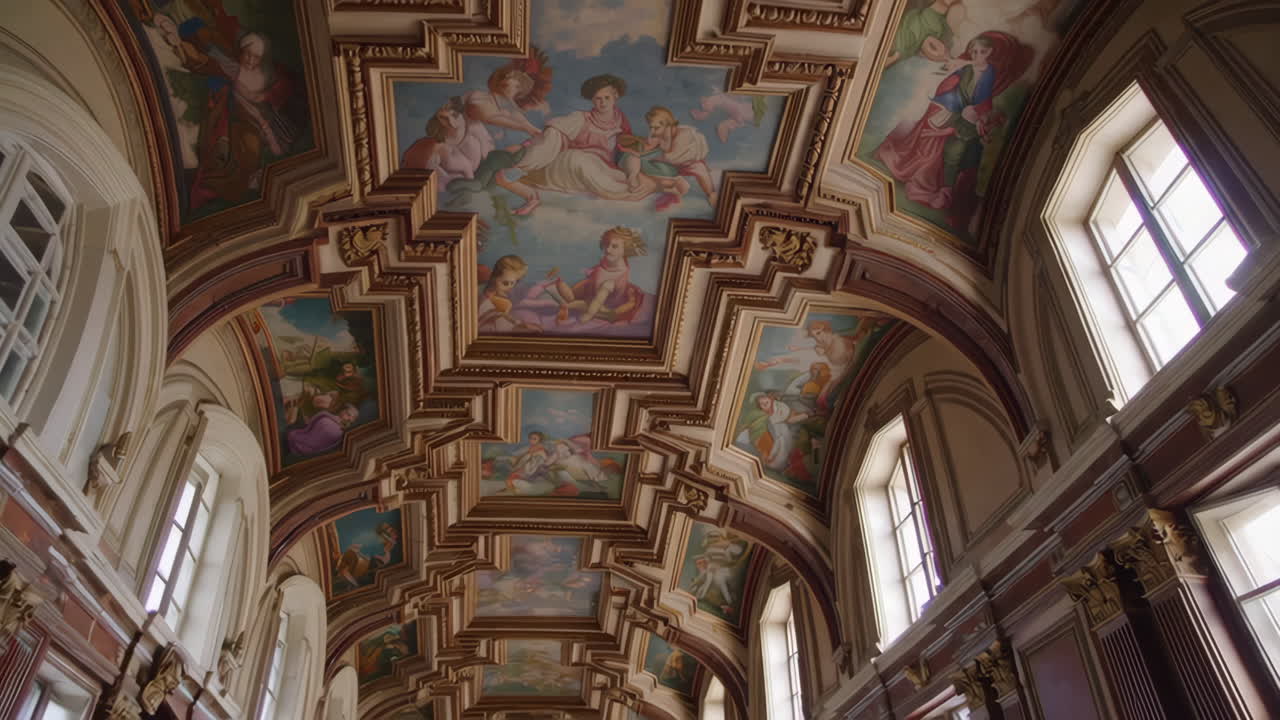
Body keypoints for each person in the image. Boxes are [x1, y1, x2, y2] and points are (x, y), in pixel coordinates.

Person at [874, 31, 1033, 232]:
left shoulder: (989, 72)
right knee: (934, 131)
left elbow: (983, 100)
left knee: (950, 148)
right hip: (947, 105)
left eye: (982, 52)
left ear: (990, 52)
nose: (977, 56)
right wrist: (952, 88)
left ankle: (933, 185)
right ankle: (914, 170)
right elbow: (948, 82)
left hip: (963, 115)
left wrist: (979, 117)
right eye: (973, 52)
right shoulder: (966, 68)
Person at [497, 74, 658, 215]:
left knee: (628, 178)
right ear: (592, 100)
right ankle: (521, 169)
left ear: (615, 96)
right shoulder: (581, 118)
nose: (602, 103)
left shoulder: (621, 123)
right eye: (598, 99)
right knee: (577, 157)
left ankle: (634, 186)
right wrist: (526, 152)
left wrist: (632, 174)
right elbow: (553, 134)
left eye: (606, 98)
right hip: (567, 164)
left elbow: (628, 152)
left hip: (601, 166)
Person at [522, 227, 647, 325]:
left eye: (614, 246)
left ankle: (564, 302)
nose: (608, 249)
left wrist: (587, 317)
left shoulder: (618, 273)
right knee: (567, 289)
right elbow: (598, 272)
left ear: (626, 250)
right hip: (591, 290)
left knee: (581, 304)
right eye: (607, 244)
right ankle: (556, 288)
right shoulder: (607, 260)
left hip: (602, 302)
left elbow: (599, 298)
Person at [619, 106, 716, 207]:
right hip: (671, 165)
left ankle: (711, 193)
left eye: (656, 128)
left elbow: (674, 155)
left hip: (685, 161)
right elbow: (648, 146)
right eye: (650, 127)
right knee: (647, 165)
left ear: (667, 125)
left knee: (700, 169)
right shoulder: (659, 135)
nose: (653, 131)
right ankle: (671, 191)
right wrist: (647, 141)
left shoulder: (683, 134)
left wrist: (658, 154)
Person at [401, 96, 496, 188]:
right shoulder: (430, 145)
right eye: (444, 118)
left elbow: (470, 172)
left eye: (454, 115)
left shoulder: (474, 136)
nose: (450, 121)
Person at [884, 0, 965, 67]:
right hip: (900, 28)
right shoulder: (921, 6)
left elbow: (929, 47)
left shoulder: (941, 25)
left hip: (904, 43)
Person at [478, 255, 541, 333]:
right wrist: (519, 324)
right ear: (494, 278)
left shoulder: (501, 295)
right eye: (505, 283)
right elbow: (494, 317)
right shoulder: (487, 297)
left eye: (513, 283)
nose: (509, 287)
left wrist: (519, 323)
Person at [285, 402, 359, 457]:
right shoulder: (340, 433)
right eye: (348, 415)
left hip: (300, 441)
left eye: (351, 417)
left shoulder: (338, 431)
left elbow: (307, 427)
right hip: (309, 451)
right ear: (342, 411)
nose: (349, 419)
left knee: (296, 411)